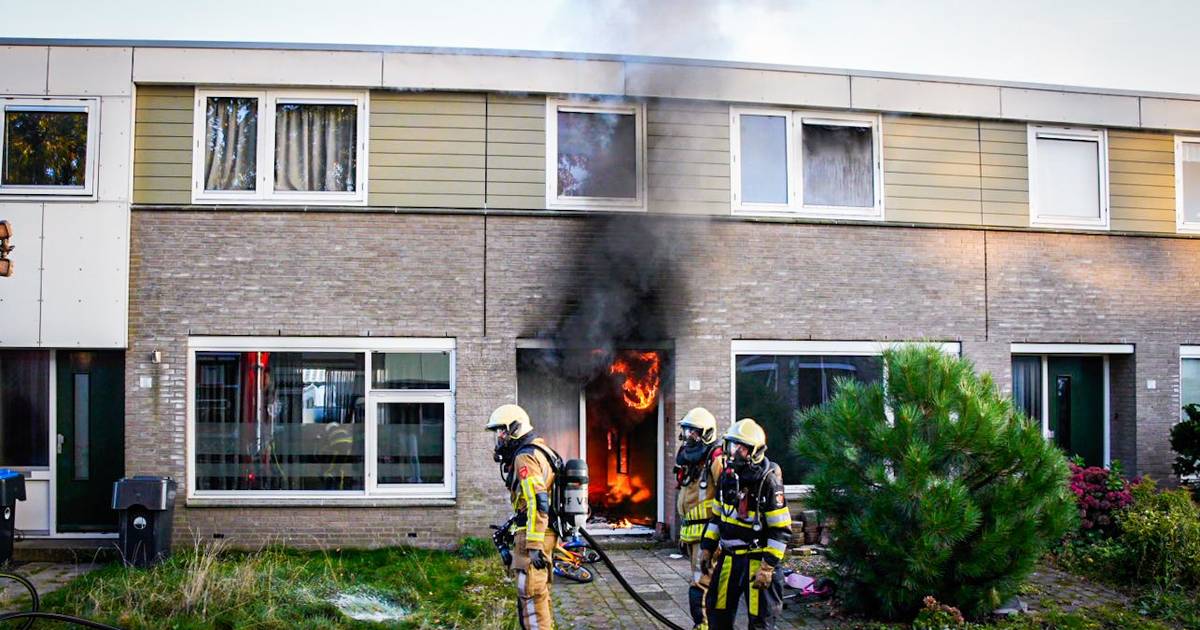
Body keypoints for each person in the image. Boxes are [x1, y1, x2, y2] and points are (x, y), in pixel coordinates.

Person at [700, 418, 793, 630]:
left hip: (757, 561)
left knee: (760, 621)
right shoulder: (727, 478)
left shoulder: (768, 482)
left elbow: (781, 530)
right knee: (717, 613)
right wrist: (707, 548)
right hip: (729, 559)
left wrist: (768, 567)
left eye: (739, 448)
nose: (732, 453)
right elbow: (717, 518)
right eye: (731, 446)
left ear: (754, 452)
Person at [487, 403, 561, 630]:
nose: (499, 438)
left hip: (534, 535)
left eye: (501, 432)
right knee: (539, 594)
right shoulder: (540, 449)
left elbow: (537, 501)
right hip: (542, 531)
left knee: (529, 593)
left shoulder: (525, 458)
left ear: (514, 429)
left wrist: (534, 544)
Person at [674, 407, 724, 630]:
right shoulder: (691, 461)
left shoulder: (716, 459)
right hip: (692, 534)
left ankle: (703, 625)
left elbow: (726, 497)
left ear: (706, 433)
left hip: (707, 536)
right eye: (686, 431)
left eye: (692, 432)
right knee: (698, 581)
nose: (687, 437)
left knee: (701, 583)